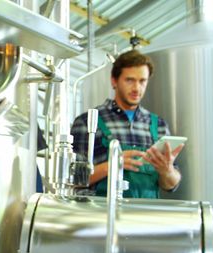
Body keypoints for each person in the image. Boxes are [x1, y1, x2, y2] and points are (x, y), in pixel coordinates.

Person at [71, 49, 183, 199]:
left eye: (142, 81)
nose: (137, 88)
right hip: (103, 217)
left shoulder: (159, 125)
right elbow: (72, 180)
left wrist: (167, 171)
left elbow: (170, 185)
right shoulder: (88, 122)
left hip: (146, 217)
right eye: (130, 80)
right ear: (114, 80)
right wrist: (111, 166)